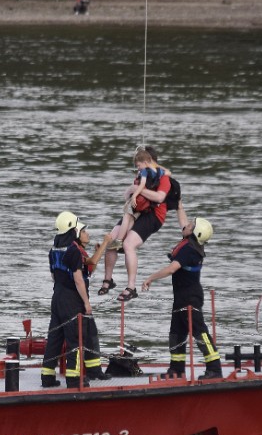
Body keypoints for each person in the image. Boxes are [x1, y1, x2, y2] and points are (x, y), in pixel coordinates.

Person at [141, 208, 223, 380]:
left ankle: (214, 368)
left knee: (200, 333)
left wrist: (150, 278)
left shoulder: (189, 250)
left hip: (190, 298)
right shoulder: (191, 242)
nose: (187, 225)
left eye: (191, 225)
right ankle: (176, 369)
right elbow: (183, 222)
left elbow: (172, 269)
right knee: (176, 334)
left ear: (194, 232)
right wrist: (178, 205)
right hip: (181, 297)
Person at [41, 212, 113, 388]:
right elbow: (79, 279)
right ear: (73, 229)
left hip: (57, 296)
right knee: (75, 339)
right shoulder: (73, 250)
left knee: (55, 338)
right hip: (72, 300)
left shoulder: (54, 250)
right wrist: (86, 303)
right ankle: (74, 379)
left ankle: (47, 377)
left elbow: (54, 275)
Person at [99, 146, 172, 303]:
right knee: (112, 240)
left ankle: (131, 287)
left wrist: (137, 190)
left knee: (128, 244)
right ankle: (108, 280)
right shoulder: (141, 175)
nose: (138, 168)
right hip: (137, 211)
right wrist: (131, 192)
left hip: (153, 215)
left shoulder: (163, 178)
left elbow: (159, 197)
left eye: (140, 164)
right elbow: (131, 195)